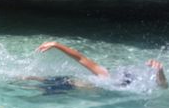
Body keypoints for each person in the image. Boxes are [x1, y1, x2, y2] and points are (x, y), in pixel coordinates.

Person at [30, 41, 168, 89]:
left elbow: (81, 58)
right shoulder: (107, 78)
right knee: (28, 80)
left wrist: (159, 71)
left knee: (28, 80)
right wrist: (56, 44)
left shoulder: (108, 78)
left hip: (68, 86)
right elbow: (81, 58)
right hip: (68, 86)